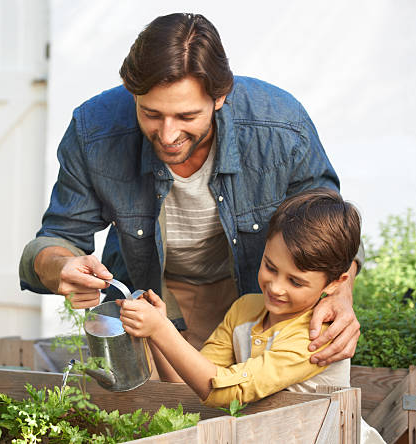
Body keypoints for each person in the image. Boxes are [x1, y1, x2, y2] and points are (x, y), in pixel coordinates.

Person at [19, 12, 362, 367]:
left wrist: (341, 291)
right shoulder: (94, 130)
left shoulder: (280, 127)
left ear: (220, 98)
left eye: (186, 117)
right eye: (151, 114)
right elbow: (56, 239)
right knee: (154, 415)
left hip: (254, 296)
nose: (168, 135)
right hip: (150, 296)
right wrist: (61, 266)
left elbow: (329, 226)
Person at [117, 188, 385, 443]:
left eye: (296, 282)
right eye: (270, 266)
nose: (276, 287)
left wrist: (161, 330)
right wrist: (157, 331)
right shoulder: (245, 309)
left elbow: (226, 391)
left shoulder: (319, 334)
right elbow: (190, 384)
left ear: (335, 283)